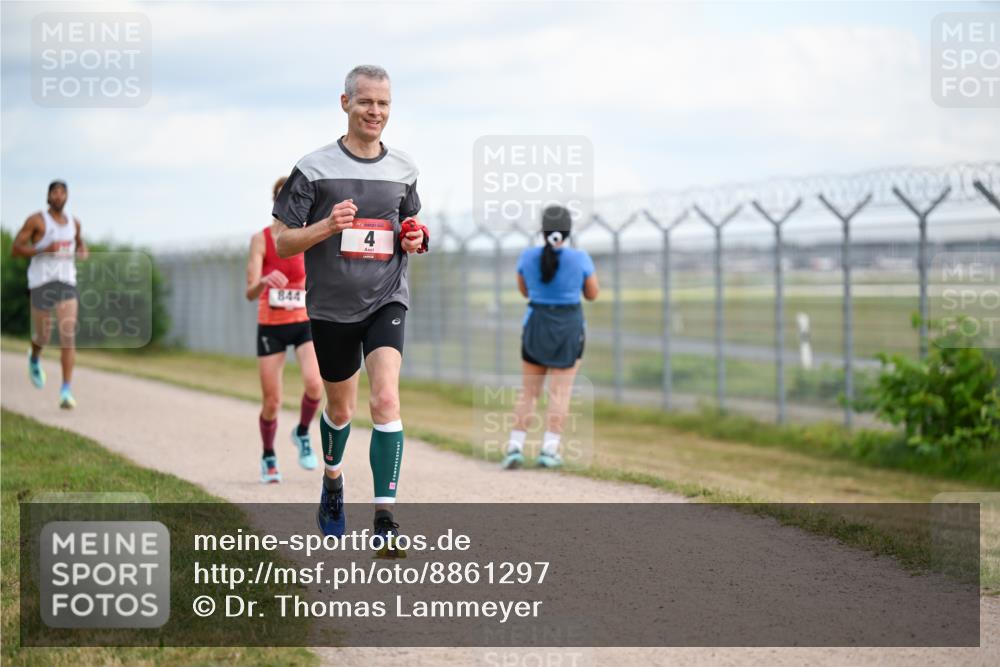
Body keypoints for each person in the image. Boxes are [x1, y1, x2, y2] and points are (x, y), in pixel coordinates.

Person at [271, 65, 425, 556]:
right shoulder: (313, 168)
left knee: (386, 399)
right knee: (341, 410)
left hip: (386, 298)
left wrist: (415, 238)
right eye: (366, 102)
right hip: (332, 308)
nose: (375, 112)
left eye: (383, 103)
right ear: (346, 104)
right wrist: (327, 227)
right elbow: (282, 241)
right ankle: (333, 480)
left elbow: (410, 225)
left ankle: (385, 519)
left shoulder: (404, 168)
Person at [502, 205, 599, 470]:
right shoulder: (580, 258)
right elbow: (592, 294)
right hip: (569, 329)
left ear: (542, 229)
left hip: (536, 325)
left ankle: (514, 448)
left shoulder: (527, 256)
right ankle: (549, 450)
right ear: (569, 230)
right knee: (560, 392)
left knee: (529, 392)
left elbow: (525, 291)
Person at [245, 176, 323, 483]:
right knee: (272, 401)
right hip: (271, 326)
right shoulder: (261, 239)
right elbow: (249, 292)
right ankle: (268, 455)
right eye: (284, 197)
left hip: (303, 321)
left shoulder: (306, 237)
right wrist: (264, 281)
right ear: (275, 201)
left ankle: (302, 432)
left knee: (315, 385)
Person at [11, 180, 88, 409]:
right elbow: (15, 249)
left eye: (63, 192)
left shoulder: (74, 223)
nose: (58, 196)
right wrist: (43, 249)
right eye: (55, 192)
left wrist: (82, 251)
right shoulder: (36, 220)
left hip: (66, 281)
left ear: (67, 197)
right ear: (48, 196)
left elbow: (80, 244)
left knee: (67, 335)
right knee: (43, 336)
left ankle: (66, 391)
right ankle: (35, 357)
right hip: (41, 282)